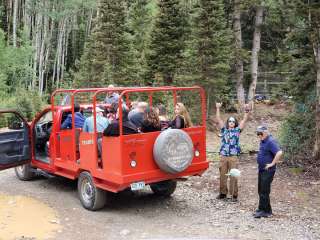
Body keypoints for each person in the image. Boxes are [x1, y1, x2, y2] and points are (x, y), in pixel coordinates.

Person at [215, 102, 250, 202]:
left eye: (233, 121)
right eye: (229, 121)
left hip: (233, 156)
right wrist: (218, 108)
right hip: (223, 156)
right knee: (222, 175)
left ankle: (234, 195)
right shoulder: (224, 130)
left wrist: (247, 111)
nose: (231, 122)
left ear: (235, 123)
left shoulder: (237, 131)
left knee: (233, 175)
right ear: (227, 123)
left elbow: (244, 120)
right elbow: (218, 119)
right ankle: (222, 193)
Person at [253, 125, 283, 218]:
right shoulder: (263, 140)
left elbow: (279, 152)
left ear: (265, 132)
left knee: (264, 190)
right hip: (261, 169)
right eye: (257, 133)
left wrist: (272, 163)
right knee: (260, 189)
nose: (258, 135)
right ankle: (263, 209)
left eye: (260, 133)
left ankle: (265, 211)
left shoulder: (270, 141)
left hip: (268, 170)